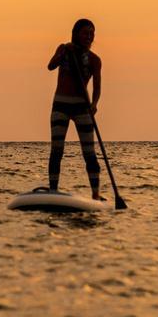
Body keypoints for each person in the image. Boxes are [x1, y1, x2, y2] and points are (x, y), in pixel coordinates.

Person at [46, 18, 102, 198]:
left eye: (92, 33)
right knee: (57, 150)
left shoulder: (94, 60)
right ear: (76, 33)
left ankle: (95, 194)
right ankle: (53, 190)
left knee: (89, 151)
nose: (89, 36)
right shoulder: (64, 49)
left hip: (81, 107)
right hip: (60, 105)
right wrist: (63, 52)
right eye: (85, 32)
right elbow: (50, 66)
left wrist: (94, 105)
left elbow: (97, 88)